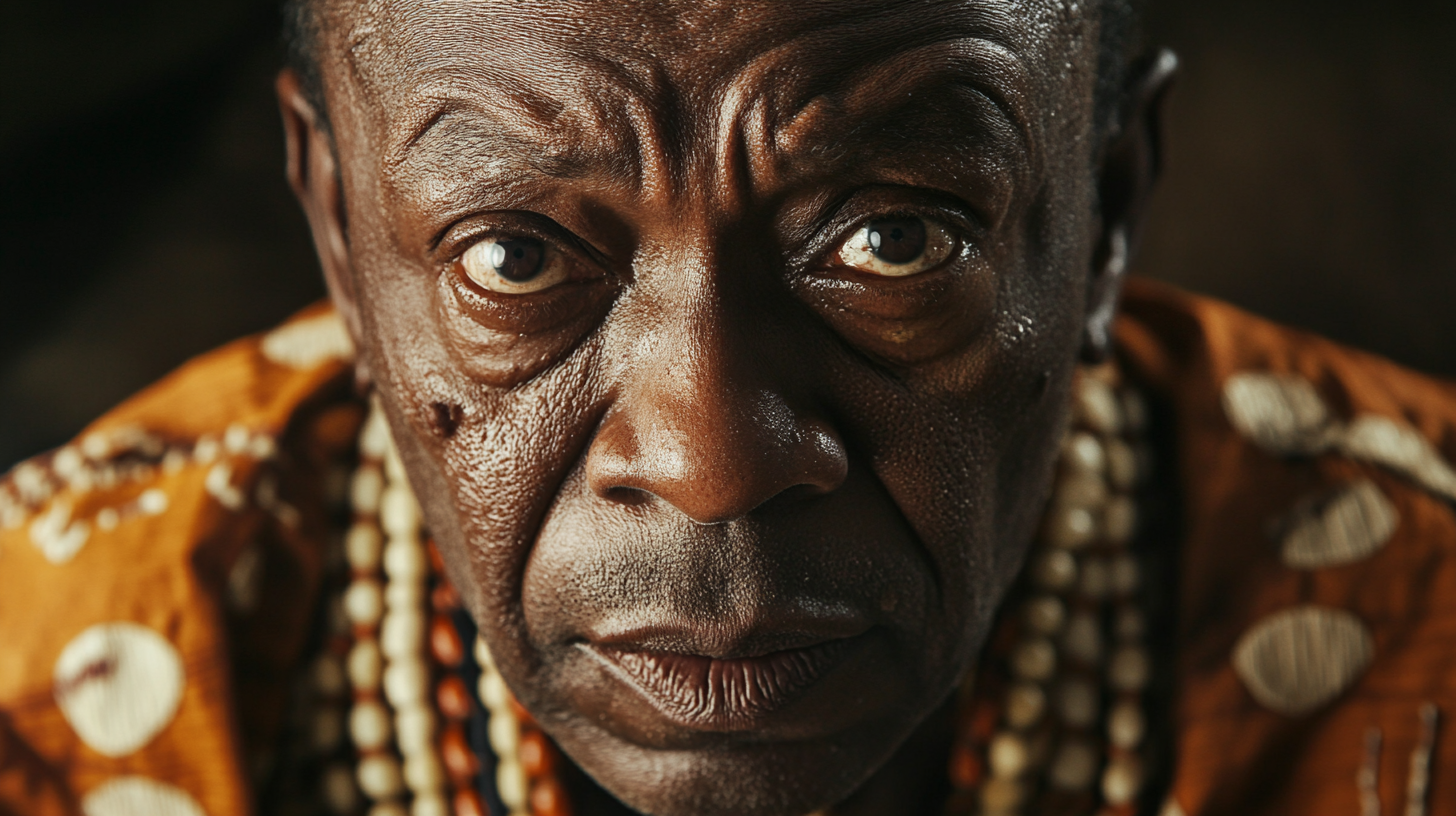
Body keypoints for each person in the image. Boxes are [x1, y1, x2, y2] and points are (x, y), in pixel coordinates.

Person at [2, 1, 1454, 815]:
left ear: (1108, 202)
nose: (709, 459)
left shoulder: (1423, 612)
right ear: (337, 232)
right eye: (515, 256)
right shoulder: (57, 695)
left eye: (896, 239)